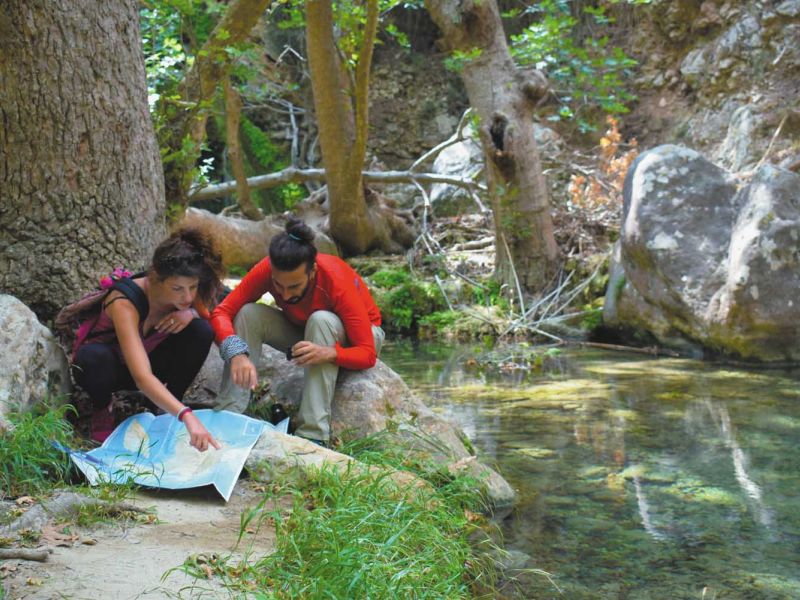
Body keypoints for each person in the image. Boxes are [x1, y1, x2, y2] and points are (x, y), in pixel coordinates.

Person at [210, 217, 384, 445]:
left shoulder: (335, 279)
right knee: (248, 313)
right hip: (307, 330)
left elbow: (367, 354)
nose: (285, 294)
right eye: (278, 285)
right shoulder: (267, 269)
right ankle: (228, 416)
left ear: (312, 271)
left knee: (320, 320)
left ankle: (312, 435)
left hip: (361, 337)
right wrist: (236, 354)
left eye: (294, 286)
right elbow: (221, 312)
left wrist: (330, 353)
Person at [71, 228, 224, 452]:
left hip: (151, 359)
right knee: (93, 358)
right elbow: (141, 376)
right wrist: (187, 416)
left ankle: (164, 406)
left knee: (201, 330)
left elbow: (214, 314)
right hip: (114, 368)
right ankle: (102, 408)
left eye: (193, 287)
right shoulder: (124, 302)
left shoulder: (188, 290)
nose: (188, 296)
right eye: (177, 289)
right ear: (156, 278)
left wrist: (190, 313)